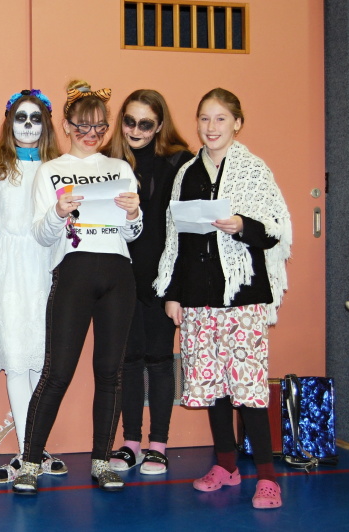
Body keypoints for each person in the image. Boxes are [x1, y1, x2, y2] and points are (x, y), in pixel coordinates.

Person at [154, 88, 291, 509]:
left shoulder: (255, 170)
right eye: (204, 118)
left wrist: (241, 225)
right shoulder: (187, 172)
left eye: (220, 119)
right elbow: (175, 239)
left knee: (248, 389)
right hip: (198, 298)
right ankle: (226, 466)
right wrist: (173, 295)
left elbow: (274, 230)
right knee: (213, 387)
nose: (211, 127)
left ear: (237, 123)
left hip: (244, 297)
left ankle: (267, 477)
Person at [12, 80, 142, 495]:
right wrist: (58, 211)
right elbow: (41, 235)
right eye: (83, 126)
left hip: (118, 273)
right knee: (57, 372)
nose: (91, 134)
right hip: (73, 271)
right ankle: (30, 462)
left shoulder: (120, 169)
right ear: (66, 126)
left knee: (110, 372)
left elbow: (133, 234)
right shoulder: (50, 170)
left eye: (99, 127)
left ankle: (102, 461)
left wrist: (134, 214)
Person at [0, 89, 67, 483]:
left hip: (46, 269)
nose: (28, 125)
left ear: (46, 125)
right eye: (20, 118)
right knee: (16, 359)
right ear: (9, 122)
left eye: (35, 118)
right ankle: (29, 451)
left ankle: (34, 447)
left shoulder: (58, 169)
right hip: (8, 271)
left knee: (41, 361)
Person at [102, 90, 193, 475]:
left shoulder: (180, 162)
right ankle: (131, 443)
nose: (135, 130)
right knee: (127, 359)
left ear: (159, 126)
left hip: (162, 277)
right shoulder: (107, 161)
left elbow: (185, 230)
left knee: (159, 359)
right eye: (129, 121)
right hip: (120, 276)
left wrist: (176, 286)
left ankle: (158, 444)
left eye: (145, 124)